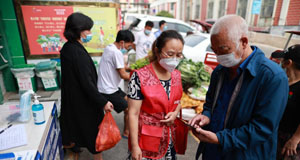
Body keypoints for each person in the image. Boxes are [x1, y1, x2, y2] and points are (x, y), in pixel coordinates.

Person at [188, 15, 289, 160]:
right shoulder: (220, 71)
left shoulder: (272, 77)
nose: (218, 57)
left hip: (245, 155)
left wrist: (220, 139)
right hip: (213, 152)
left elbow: (262, 128)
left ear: (243, 42)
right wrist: (206, 116)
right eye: (215, 50)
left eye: (223, 49)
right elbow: (210, 103)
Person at [60, 12, 113, 160]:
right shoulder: (77, 52)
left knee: (77, 129)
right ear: (78, 30)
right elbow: (87, 83)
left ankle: (73, 148)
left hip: (74, 99)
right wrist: (103, 102)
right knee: (93, 134)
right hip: (84, 102)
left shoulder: (68, 48)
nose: (90, 33)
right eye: (87, 30)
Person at [127, 30, 184, 160]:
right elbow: (133, 113)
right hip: (147, 141)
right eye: (170, 54)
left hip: (169, 139)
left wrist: (175, 112)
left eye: (179, 55)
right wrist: (135, 146)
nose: (174, 59)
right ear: (157, 51)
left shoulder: (176, 75)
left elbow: (178, 101)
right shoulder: (140, 76)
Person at [97, 30, 135, 138]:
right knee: (128, 109)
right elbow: (123, 74)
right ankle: (127, 133)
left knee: (128, 100)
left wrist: (131, 69)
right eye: (129, 44)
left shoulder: (109, 48)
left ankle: (127, 130)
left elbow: (120, 67)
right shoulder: (116, 52)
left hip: (109, 87)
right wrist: (138, 77)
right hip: (108, 90)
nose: (129, 46)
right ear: (122, 42)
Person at [273, 44, 300, 160]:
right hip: (277, 134)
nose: (280, 63)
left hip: (290, 141)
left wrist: (295, 139)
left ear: (288, 63)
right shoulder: (284, 82)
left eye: (283, 60)